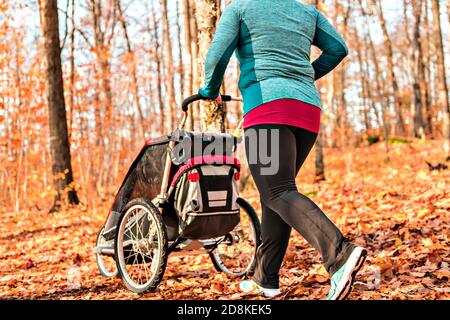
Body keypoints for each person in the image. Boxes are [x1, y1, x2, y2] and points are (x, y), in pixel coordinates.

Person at [198, 0, 367, 300]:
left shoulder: (240, 9)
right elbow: (338, 48)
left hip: (267, 112)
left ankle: (340, 254)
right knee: (276, 193)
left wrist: (209, 91)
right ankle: (267, 278)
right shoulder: (306, 11)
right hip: (306, 113)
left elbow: (217, 55)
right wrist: (303, 78)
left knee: (277, 191)